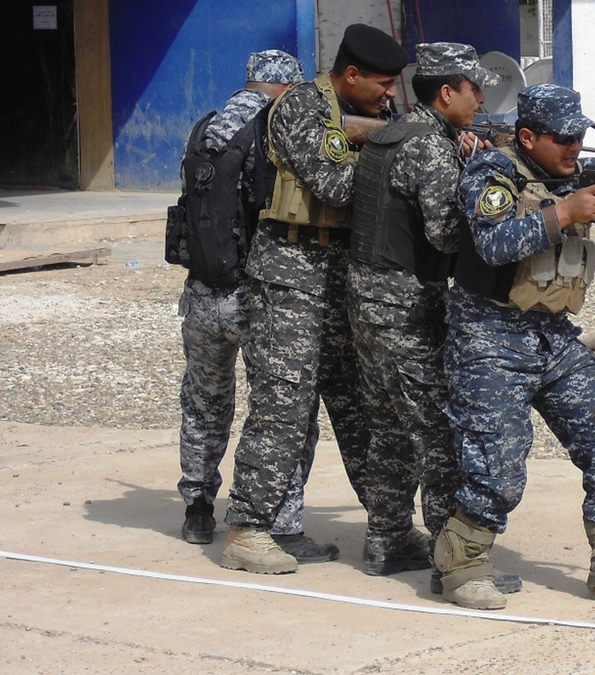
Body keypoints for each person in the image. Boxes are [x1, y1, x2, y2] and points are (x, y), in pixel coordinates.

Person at [433, 83, 595, 610]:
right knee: (498, 457)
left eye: (580, 135)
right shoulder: (490, 174)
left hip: (552, 335)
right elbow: (493, 243)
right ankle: (464, 563)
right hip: (489, 335)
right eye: (564, 137)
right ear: (528, 136)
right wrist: (564, 213)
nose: (575, 147)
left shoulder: (575, 177)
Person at [221, 25, 412, 575]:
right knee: (284, 402)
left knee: (363, 407)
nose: (387, 96)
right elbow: (338, 187)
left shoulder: (380, 113)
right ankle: (249, 528)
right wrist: (405, 164)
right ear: (350, 75)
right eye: (379, 84)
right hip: (290, 271)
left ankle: (390, 529)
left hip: (346, 272)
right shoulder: (302, 108)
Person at [346, 42, 518, 595]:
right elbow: (447, 234)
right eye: (474, 89)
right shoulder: (430, 147)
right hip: (405, 304)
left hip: (368, 298)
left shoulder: (392, 132)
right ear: (447, 93)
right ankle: (455, 563)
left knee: (388, 429)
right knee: (438, 434)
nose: (483, 98)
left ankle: (388, 540)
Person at [177, 49, 305, 547]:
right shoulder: (272, 130)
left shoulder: (204, 128)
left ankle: (198, 508)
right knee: (279, 409)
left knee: (203, 401)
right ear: (284, 89)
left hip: (199, 294)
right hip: (254, 297)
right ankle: (279, 520)